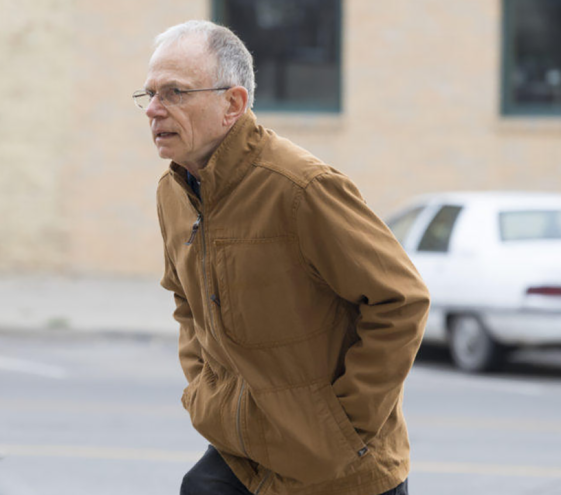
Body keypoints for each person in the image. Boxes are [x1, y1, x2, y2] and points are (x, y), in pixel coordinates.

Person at [136, 20, 430, 495]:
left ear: (233, 104)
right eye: (149, 93)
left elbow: (402, 300)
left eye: (174, 93)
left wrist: (344, 427)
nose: (153, 110)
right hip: (241, 453)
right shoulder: (173, 193)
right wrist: (204, 394)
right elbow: (185, 303)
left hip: (339, 471)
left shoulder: (301, 188)